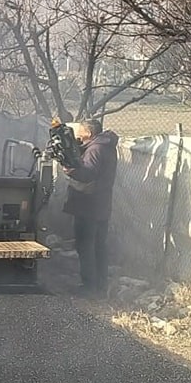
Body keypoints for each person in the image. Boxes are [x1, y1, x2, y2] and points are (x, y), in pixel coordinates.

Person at [61, 118, 119, 297]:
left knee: (85, 246)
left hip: (88, 205)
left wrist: (71, 171)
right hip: (101, 205)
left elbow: (88, 174)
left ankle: (88, 287)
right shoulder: (106, 146)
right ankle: (101, 286)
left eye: (81, 131)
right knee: (99, 246)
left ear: (89, 133)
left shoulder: (95, 149)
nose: (78, 134)